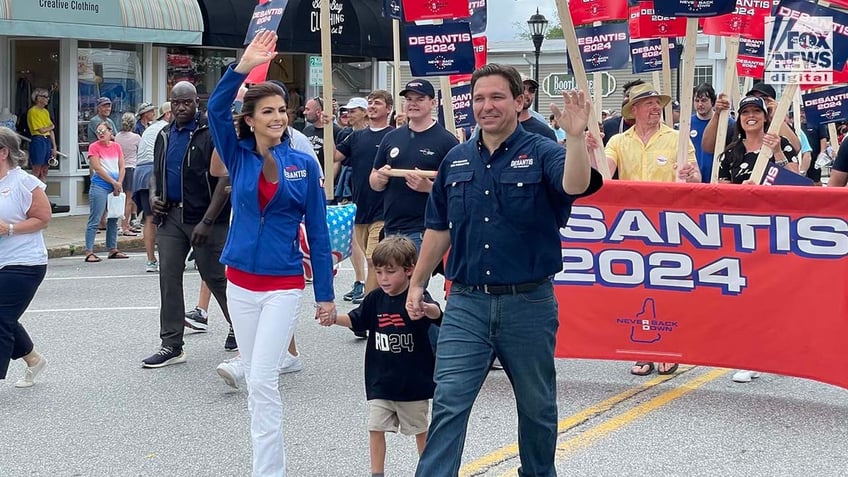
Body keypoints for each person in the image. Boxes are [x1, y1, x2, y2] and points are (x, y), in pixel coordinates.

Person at [406, 63, 602, 477]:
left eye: (496, 97)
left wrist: (574, 138)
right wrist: (418, 283)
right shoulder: (455, 161)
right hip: (466, 304)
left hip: (528, 305)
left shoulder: (545, 151)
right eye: (479, 98)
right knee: (449, 403)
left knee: (537, 409)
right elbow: (439, 229)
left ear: (519, 101)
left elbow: (574, 185)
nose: (486, 106)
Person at [207, 30, 336, 476]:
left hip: (283, 285)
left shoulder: (304, 164)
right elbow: (214, 107)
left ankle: (269, 472)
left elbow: (317, 234)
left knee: (261, 378)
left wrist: (324, 293)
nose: (279, 117)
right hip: (240, 283)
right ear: (252, 119)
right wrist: (242, 65)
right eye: (269, 111)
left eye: (283, 110)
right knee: (257, 383)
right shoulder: (236, 153)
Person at [594, 82, 699, 376]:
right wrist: (592, 152)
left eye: (657, 103)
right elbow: (604, 176)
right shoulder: (618, 141)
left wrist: (691, 176)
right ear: (634, 110)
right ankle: (643, 351)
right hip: (631, 226)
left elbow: (695, 179)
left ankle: (668, 347)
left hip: (667, 225)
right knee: (635, 289)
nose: (655, 108)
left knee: (666, 288)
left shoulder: (677, 139)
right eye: (649, 103)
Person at [318, 236, 442, 477]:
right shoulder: (375, 299)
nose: (384, 278)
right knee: (375, 428)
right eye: (379, 272)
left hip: (413, 383)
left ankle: (429, 470)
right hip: (381, 381)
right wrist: (334, 319)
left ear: (409, 271)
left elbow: (438, 314)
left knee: (420, 431)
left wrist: (427, 309)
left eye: (390, 272)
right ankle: (377, 473)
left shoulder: (417, 297)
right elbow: (357, 318)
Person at [142, 80, 234, 367]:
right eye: (176, 102)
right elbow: (156, 172)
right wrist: (156, 196)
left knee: (216, 277)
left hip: (207, 219)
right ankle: (171, 344)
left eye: (187, 102)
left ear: (197, 103)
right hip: (170, 218)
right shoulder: (164, 135)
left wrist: (208, 221)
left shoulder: (210, 133)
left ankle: (242, 326)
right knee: (168, 278)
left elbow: (224, 178)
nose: (181, 107)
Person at [370, 79, 459, 253]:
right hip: (390, 226)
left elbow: (457, 189)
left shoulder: (447, 141)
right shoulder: (391, 137)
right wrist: (379, 179)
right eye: (409, 99)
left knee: (414, 281)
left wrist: (429, 188)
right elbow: (373, 179)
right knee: (391, 280)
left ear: (433, 103)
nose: (413, 104)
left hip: (424, 230)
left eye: (419, 99)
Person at [0, 127, 51, 388]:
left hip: (25, 263)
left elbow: (43, 218)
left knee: (1, 317)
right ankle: (33, 359)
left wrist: (8, 229)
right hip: (2, 260)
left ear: (3, 152)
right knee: (4, 316)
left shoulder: (24, 182)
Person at [335, 92, 393, 306]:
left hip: (384, 209)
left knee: (373, 259)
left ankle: (367, 309)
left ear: (388, 109)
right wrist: (327, 128)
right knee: (372, 262)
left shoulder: (393, 136)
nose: (372, 106)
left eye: (377, 103)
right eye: (370, 102)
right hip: (360, 208)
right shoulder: (355, 137)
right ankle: (379, 304)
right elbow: (334, 157)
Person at [717, 96, 800, 185]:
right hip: (743, 198)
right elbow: (724, 190)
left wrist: (778, 152)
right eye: (745, 112)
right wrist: (743, 189)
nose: (751, 115)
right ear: (740, 119)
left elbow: (796, 182)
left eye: (757, 111)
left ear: (765, 118)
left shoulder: (781, 143)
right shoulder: (731, 152)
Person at [83, 121, 128, 262]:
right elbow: (97, 168)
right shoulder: (93, 147)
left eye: (103, 131)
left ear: (110, 132)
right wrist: (113, 182)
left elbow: (122, 166)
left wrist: (119, 182)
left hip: (115, 185)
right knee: (95, 219)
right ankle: (89, 251)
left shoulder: (117, 146)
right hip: (100, 185)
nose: (101, 134)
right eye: (98, 132)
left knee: (113, 218)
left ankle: (112, 248)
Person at [134, 102, 171, 273]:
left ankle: (150, 260)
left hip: (140, 173)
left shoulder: (151, 128)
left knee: (149, 218)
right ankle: (169, 258)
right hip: (154, 171)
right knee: (166, 216)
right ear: (168, 114)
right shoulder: (166, 128)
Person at [690, 83, 733, 182]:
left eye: (704, 100)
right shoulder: (686, 124)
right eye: (697, 101)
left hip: (717, 177)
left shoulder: (728, 123)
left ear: (713, 102)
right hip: (694, 179)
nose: (700, 104)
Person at [115, 112, 141, 237]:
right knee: (129, 199)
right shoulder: (136, 137)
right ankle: (124, 226)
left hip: (119, 169)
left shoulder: (117, 137)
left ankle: (122, 224)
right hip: (131, 168)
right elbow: (140, 153)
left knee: (120, 198)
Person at [303, 96, 341, 176]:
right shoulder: (306, 130)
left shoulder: (335, 131)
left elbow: (336, 161)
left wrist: (327, 183)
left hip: (326, 181)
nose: (304, 112)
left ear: (318, 112)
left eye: (307, 109)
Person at [26, 88, 56, 182]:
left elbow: (51, 130)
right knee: (37, 168)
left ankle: (42, 192)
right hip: (38, 139)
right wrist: (51, 127)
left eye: (48, 97)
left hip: (47, 141)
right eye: (45, 97)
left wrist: (54, 147)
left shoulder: (45, 112)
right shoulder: (33, 111)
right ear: (38, 98)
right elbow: (42, 130)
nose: (48, 99)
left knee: (45, 169)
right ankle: (34, 193)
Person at [602, 79, 644, 145]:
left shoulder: (658, 130)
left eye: (637, 97)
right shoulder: (606, 127)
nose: (631, 100)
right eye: (628, 95)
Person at [517, 75, 558, 142]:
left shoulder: (544, 131)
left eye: (531, 90)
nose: (526, 93)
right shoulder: (499, 126)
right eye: (522, 88)